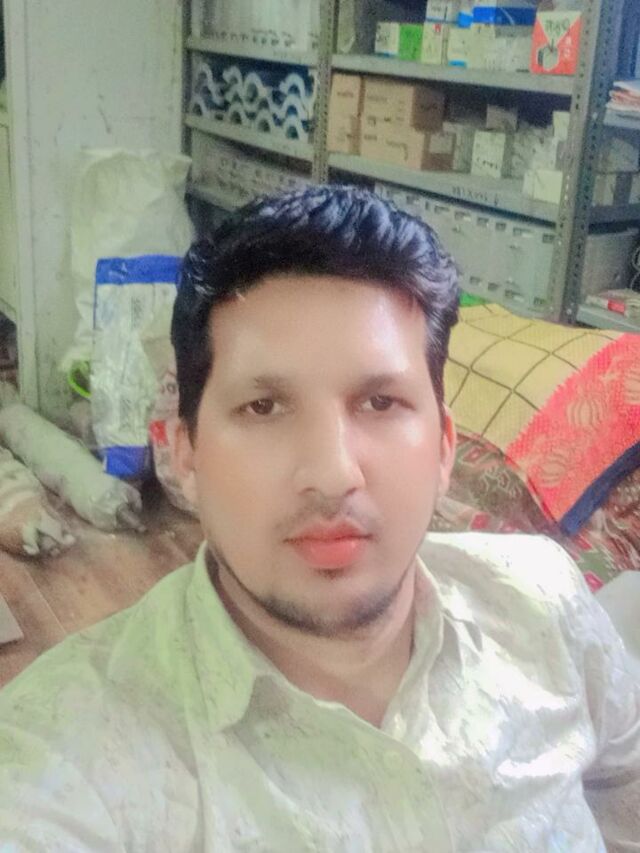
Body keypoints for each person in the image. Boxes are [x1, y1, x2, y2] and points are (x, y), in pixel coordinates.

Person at [0, 186, 638, 851]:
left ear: (444, 447)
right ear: (183, 453)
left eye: (381, 402)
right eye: (264, 407)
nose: (334, 474)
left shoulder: (545, 612)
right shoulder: (68, 754)